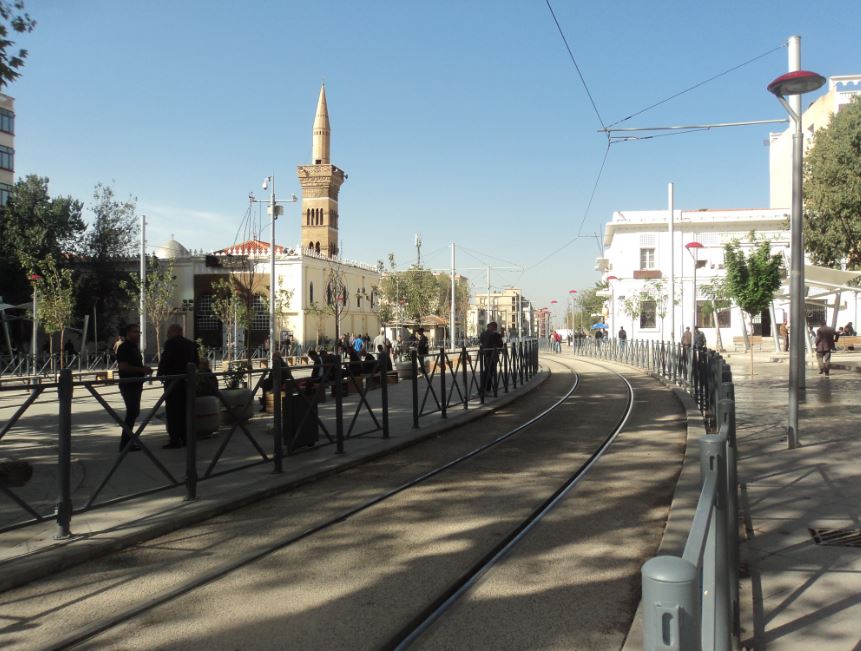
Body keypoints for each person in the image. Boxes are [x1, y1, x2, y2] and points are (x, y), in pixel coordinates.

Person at [156, 324, 199, 448]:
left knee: (173, 412)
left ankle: (175, 439)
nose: (167, 334)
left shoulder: (170, 343)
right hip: (187, 382)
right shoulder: (191, 344)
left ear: (176, 332)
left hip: (173, 381)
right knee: (185, 411)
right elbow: (196, 362)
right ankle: (186, 438)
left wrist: (160, 374)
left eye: (169, 331)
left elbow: (166, 359)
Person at [115, 324, 153, 452]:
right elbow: (123, 366)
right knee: (132, 412)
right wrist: (141, 369)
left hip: (136, 384)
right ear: (127, 333)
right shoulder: (124, 347)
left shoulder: (134, 348)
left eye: (139, 332)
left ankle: (127, 442)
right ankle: (125, 443)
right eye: (135, 332)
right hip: (128, 384)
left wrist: (143, 370)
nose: (138, 334)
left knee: (134, 412)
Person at [480, 321, 504, 392]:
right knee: (490, 371)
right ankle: (487, 388)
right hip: (493, 355)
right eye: (495, 327)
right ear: (493, 327)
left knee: (487, 370)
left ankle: (484, 387)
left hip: (485, 354)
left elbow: (481, 342)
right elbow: (500, 344)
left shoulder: (483, 334)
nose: (495, 329)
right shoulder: (494, 335)